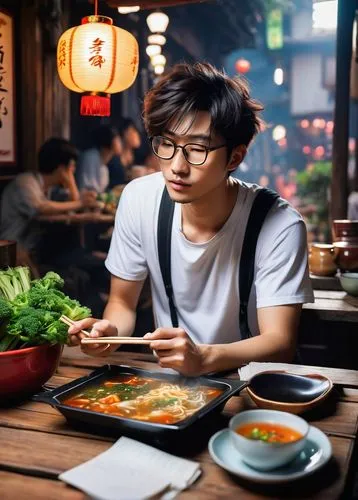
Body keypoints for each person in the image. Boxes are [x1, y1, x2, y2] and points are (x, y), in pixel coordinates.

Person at [68, 63, 314, 376]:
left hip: (254, 385)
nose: (176, 166)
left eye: (197, 148)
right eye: (166, 144)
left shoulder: (279, 224)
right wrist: (109, 332)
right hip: (173, 387)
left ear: (235, 157)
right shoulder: (139, 199)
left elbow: (280, 342)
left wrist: (204, 357)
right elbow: (123, 303)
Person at [0, 137, 97, 262]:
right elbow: (42, 208)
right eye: (72, 167)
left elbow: (72, 209)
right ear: (61, 168)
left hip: (34, 252)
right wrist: (80, 203)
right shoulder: (25, 182)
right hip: (11, 252)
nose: (73, 171)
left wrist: (72, 186)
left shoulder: (49, 188)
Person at [76, 125, 122, 193]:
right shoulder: (91, 157)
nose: (120, 141)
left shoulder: (105, 164)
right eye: (116, 138)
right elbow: (88, 189)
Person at [108, 118, 142, 188]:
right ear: (124, 133)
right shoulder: (114, 157)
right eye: (133, 130)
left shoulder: (137, 154)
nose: (136, 134)